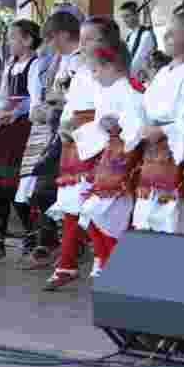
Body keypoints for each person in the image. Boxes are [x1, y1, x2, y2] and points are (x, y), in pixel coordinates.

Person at [67, 18, 145, 281]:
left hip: (122, 168)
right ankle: (109, 265)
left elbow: (135, 133)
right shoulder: (111, 91)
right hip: (107, 163)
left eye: (97, 71)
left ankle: (116, 269)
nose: (95, 76)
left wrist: (116, 130)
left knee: (107, 218)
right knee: (92, 215)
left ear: (111, 66)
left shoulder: (131, 92)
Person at [132, 10, 184, 234]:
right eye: (166, 32)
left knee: (172, 217)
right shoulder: (164, 72)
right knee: (146, 213)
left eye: (173, 34)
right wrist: (138, 123)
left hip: (174, 153)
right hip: (152, 152)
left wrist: (163, 130)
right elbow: (145, 105)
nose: (166, 37)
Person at [16, 9, 83, 270]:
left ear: (64, 35)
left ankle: (62, 248)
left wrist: (52, 108)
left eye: (52, 38)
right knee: (45, 189)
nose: (50, 45)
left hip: (72, 135)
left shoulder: (79, 62)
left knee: (54, 190)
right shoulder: (64, 60)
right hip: (55, 131)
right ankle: (55, 245)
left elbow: (76, 100)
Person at [43, 16, 106, 289]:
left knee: (96, 206)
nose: (85, 44)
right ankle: (67, 264)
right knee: (71, 203)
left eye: (91, 38)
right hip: (73, 141)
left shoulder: (108, 71)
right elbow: (72, 105)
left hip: (95, 142)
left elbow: (106, 109)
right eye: (84, 38)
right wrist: (65, 127)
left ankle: (103, 260)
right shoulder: (80, 71)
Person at [0, 22, 40, 263]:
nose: (9, 42)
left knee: (16, 185)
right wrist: (1, 113)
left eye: (14, 38)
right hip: (6, 130)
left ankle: (32, 236)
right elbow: (3, 95)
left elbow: (35, 99)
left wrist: (15, 112)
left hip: (23, 129)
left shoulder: (35, 65)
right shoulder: (10, 65)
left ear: (27, 40)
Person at [119, 1, 156, 81]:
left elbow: (138, 61)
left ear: (137, 15)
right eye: (123, 17)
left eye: (127, 16)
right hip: (130, 78)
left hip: (141, 80)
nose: (124, 20)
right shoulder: (129, 36)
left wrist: (123, 77)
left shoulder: (146, 35)